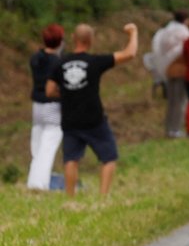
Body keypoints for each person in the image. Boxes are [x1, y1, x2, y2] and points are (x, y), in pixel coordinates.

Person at [46, 23, 138, 196]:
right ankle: (102, 197)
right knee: (109, 157)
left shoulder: (60, 63)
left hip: (70, 119)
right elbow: (130, 54)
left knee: (71, 159)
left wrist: (67, 93)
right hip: (94, 119)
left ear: (73, 38)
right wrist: (133, 32)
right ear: (91, 40)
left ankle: (70, 198)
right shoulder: (95, 62)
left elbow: (49, 90)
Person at [27, 24, 65, 190]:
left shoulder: (35, 58)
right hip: (52, 108)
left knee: (37, 146)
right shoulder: (58, 62)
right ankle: (39, 184)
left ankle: (33, 180)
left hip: (37, 107)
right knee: (48, 146)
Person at [152, 10, 189, 138]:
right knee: (180, 102)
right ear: (186, 19)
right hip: (180, 71)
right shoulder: (184, 33)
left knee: (171, 101)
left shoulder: (165, 31)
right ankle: (175, 129)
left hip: (168, 71)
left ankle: (169, 128)